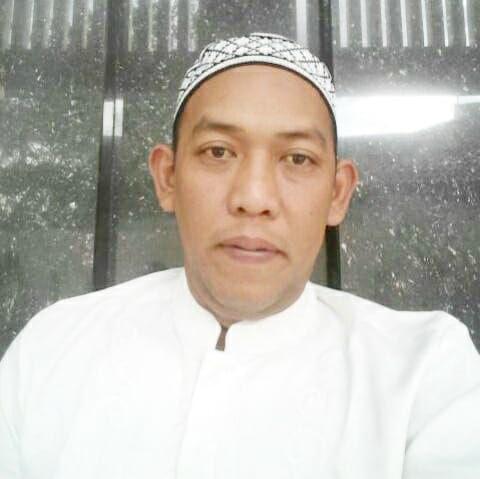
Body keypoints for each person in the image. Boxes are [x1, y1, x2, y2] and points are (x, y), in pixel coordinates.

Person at [0, 32, 479, 479]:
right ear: (168, 177)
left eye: (297, 158)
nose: (253, 197)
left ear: (337, 194)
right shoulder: (53, 349)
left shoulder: (423, 374)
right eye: (218, 152)